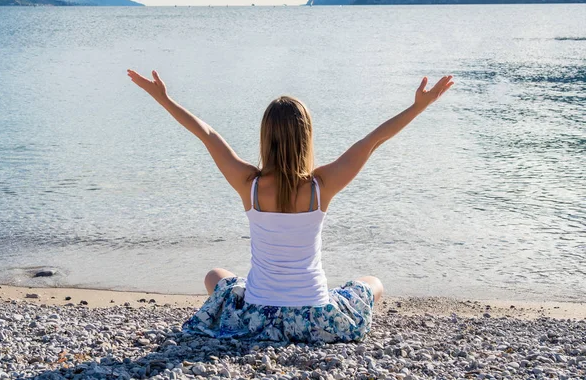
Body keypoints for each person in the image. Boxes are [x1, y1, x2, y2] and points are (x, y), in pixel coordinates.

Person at [127, 69, 454, 343]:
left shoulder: (249, 185)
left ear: (264, 137)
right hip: (314, 318)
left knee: (215, 276)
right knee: (373, 283)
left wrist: (163, 99)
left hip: (257, 317)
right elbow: (373, 141)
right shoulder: (321, 186)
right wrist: (418, 107)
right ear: (307, 137)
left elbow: (207, 134)